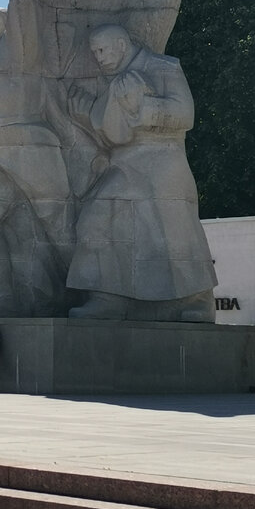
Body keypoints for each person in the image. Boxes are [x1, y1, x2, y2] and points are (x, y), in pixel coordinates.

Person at [67, 25, 216, 320]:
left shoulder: (163, 67)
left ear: (121, 44)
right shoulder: (113, 79)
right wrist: (85, 111)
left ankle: (196, 302)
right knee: (96, 218)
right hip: (124, 162)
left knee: (175, 231)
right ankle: (107, 297)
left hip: (163, 159)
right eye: (94, 52)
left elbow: (185, 114)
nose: (98, 58)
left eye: (101, 50)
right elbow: (111, 130)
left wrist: (143, 105)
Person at [0, 6, 74, 316]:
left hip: (30, 148)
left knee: (60, 228)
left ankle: (88, 290)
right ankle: (0, 296)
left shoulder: (20, 49)